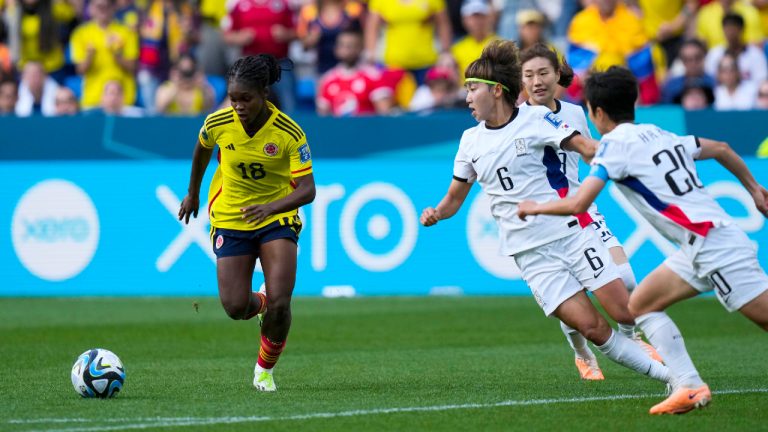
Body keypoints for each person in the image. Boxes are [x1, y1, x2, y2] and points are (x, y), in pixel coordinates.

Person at [420, 40, 670, 393]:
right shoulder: (469, 141)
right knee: (593, 328)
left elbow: (585, 147)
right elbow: (453, 199)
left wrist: (626, 156)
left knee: (626, 311)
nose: (467, 97)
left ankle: (681, 375)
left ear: (495, 91)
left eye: (472, 88)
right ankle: (672, 380)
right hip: (530, 254)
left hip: (572, 232)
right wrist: (436, 214)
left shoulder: (536, 118)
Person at [517, 65, 768, 414]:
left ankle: (690, 384)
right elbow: (722, 148)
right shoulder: (658, 133)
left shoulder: (613, 149)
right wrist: (755, 190)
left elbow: (578, 204)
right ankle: (690, 386)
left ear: (597, 112)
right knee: (641, 305)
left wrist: (535, 207)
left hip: (715, 247)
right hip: (699, 245)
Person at [519, 43, 661, 380]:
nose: (537, 81)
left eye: (543, 73)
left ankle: (632, 338)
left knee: (625, 277)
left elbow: (590, 155)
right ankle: (582, 353)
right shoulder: (516, 120)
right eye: (528, 75)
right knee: (573, 299)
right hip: (543, 220)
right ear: (520, 81)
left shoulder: (574, 114)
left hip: (580, 208)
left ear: (557, 75)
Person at [178, 54, 316, 392]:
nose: (238, 105)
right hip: (231, 216)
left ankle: (264, 371)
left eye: (246, 98)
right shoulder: (217, 122)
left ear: (264, 93)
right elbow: (201, 148)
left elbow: (308, 190)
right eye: (233, 98)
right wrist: (192, 193)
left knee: (282, 302)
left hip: (277, 217)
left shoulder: (288, 132)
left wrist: (270, 208)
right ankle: (261, 304)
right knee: (236, 306)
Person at [316, 27, 395, 116]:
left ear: (360, 49)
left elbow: (384, 113)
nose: (346, 50)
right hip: (338, 129)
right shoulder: (327, 80)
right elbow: (323, 117)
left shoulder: (373, 76)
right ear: (336, 49)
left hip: (366, 128)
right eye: (342, 46)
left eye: (350, 46)